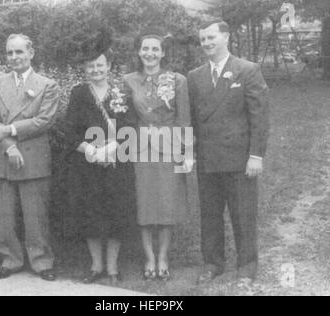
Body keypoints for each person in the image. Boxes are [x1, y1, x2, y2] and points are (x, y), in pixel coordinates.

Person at [187, 19, 270, 284]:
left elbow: (259, 117)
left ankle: (246, 267)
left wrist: (256, 155)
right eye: (203, 39)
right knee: (210, 216)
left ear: (226, 37)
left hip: (239, 160)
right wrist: (189, 153)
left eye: (211, 37)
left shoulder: (247, 70)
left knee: (243, 216)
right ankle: (213, 263)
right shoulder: (195, 76)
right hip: (208, 159)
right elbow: (191, 120)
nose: (207, 43)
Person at [59, 29, 136, 286]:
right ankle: (96, 266)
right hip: (87, 165)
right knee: (91, 215)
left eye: (100, 65)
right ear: (85, 68)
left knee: (115, 214)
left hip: (117, 163)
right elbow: (69, 132)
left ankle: (113, 267)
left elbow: (130, 129)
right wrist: (91, 150)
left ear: (109, 66)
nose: (95, 70)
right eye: (91, 66)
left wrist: (109, 149)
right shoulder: (79, 93)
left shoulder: (121, 92)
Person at [0, 34, 59, 281]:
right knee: (4, 216)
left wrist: (11, 129)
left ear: (31, 53)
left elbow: (44, 120)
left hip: (34, 157)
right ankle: (11, 260)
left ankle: (41, 262)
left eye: (19, 52)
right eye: (10, 53)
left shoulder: (48, 85)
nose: (14, 57)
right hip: (3, 156)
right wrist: (9, 146)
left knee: (36, 216)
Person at [123, 29, 194, 281]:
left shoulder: (178, 80)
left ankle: (163, 256)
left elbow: (184, 119)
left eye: (155, 49)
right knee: (143, 204)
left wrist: (187, 152)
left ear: (163, 53)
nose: (149, 53)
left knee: (166, 204)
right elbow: (123, 118)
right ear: (138, 51)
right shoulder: (128, 80)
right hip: (139, 148)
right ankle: (148, 257)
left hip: (169, 148)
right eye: (145, 48)